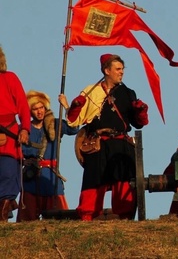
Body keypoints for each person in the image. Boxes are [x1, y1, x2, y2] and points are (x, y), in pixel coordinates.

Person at [60, 54, 149, 220]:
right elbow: (73, 120)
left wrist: (140, 111)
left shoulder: (128, 93)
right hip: (98, 144)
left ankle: (124, 217)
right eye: (118, 69)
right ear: (107, 70)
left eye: (122, 69)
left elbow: (139, 124)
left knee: (123, 181)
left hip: (121, 144)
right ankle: (87, 217)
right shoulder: (90, 92)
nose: (121, 72)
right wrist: (76, 106)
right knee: (93, 181)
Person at [16, 90, 79, 221]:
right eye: (35, 109)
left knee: (59, 219)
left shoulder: (55, 124)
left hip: (51, 177)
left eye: (41, 107)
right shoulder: (23, 129)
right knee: (26, 221)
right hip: (30, 178)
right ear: (30, 111)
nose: (39, 112)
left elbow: (74, 128)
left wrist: (67, 107)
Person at [0, 45, 31, 222]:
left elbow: (23, 107)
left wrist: (25, 128)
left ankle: (2, 216)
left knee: (8, 175)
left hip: (9, 136)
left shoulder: (9, 78)